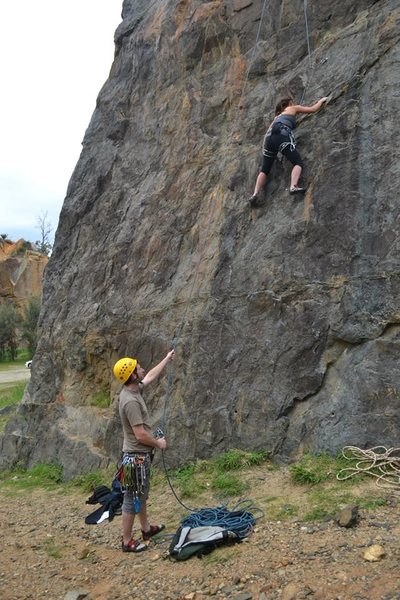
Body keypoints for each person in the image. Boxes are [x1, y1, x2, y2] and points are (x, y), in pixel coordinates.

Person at [113, 349, 175, 552]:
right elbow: (140, 435)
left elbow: (149, 377)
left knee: (140, 494)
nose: (141, 369)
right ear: (131, 375)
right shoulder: (130, 401)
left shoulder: (133, 389)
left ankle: (146, 529)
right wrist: (159, 443)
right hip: (135, 458)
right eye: (137, 367)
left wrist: (166, 359)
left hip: (139, 456)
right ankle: (126, 541)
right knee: (132, 498)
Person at [249, 96, 328, 205]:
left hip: (268, 140)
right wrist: (321, 101)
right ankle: (293, 186)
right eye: (293, 102)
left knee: (264, 170)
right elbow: (313, 109)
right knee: (297, 162)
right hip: (281, 134)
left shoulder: (276, 117)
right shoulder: (292, 108)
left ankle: (254, 194)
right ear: (289, 103)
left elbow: (267, 135)